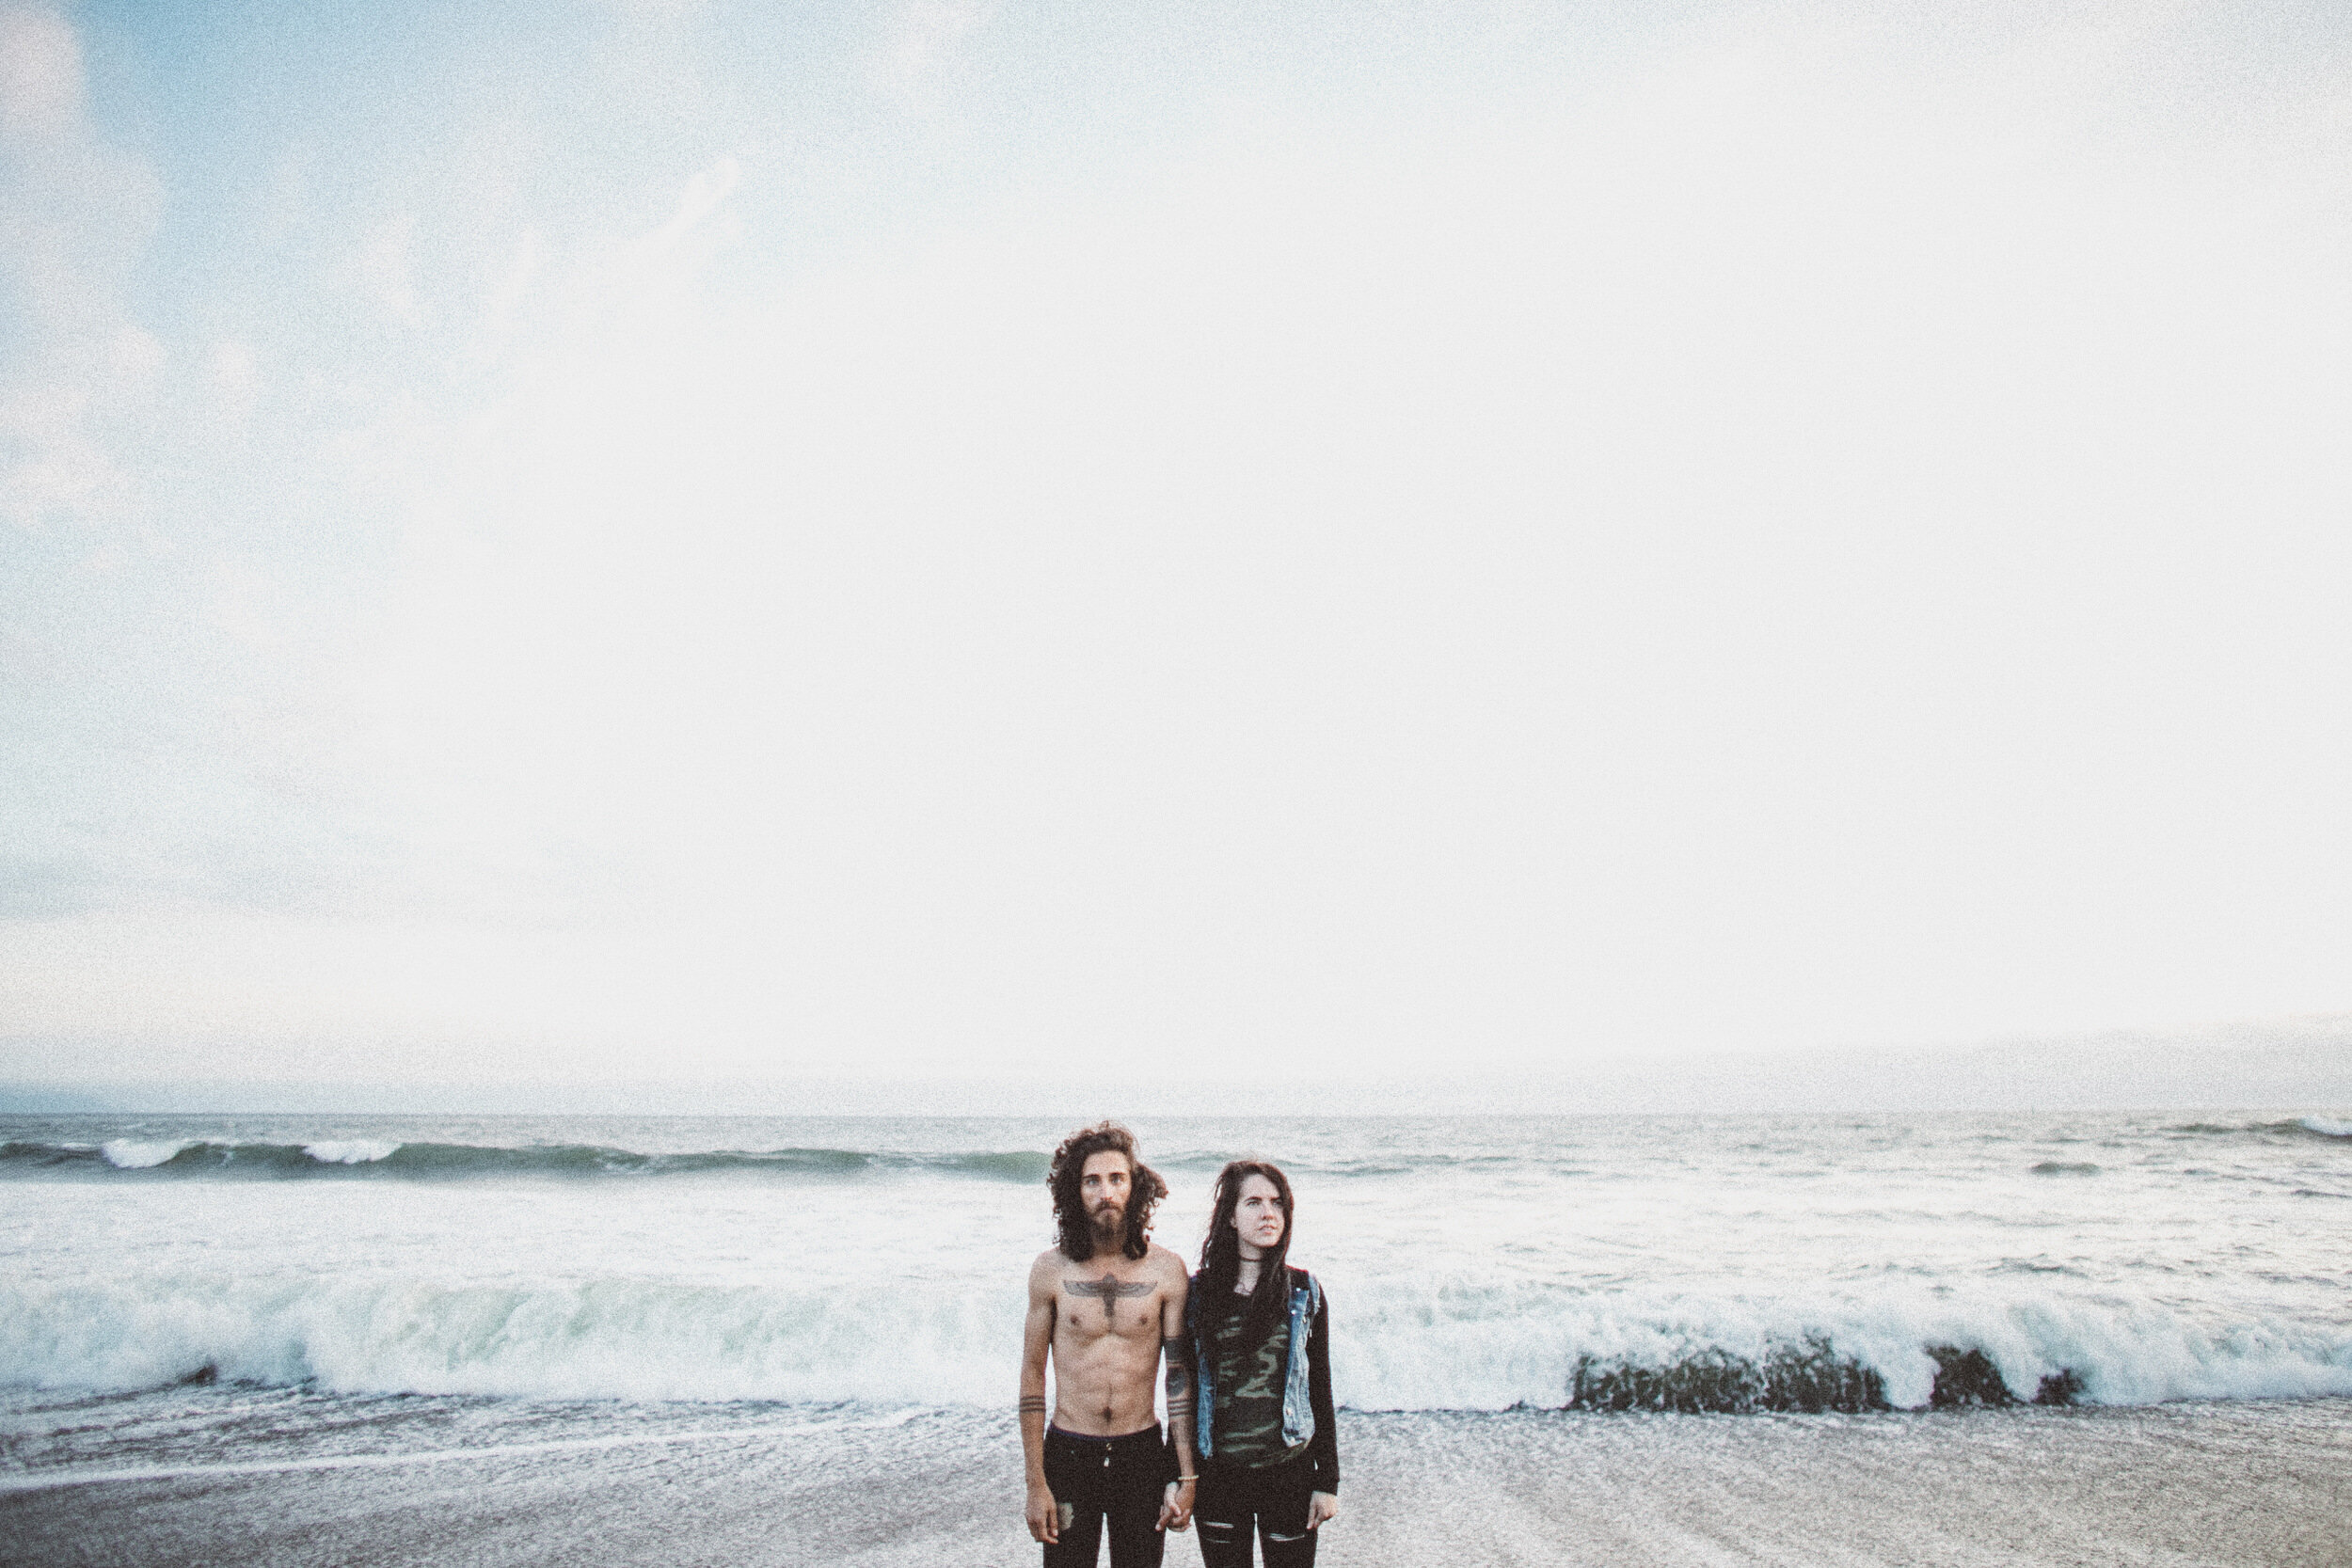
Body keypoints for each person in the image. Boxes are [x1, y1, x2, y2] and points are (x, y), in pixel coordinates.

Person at [1022, 1122, 1199, 1567]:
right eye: (1092, 1180)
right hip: (1068, 1452)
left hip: (1140, 1454)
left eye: (1117, 1179)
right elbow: (1032, 1374)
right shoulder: (1050, 1271)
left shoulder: (1166, 1270)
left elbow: (1178, 1376)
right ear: (1074, 1191)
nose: (1106, 1192)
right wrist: (1035, 1482)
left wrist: (1186, 1473)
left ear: (1133, 1187)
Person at [1184, 1161, 1339, 1567]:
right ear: (1231, 1218)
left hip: (1289, 1474)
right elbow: (1185, 1390)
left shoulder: (1305, 1292)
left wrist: (1328, 1481)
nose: (1268, 1213)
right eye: (1253, 1202)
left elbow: (1319, 1388)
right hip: (1219, 1477)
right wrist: (1178, 1475)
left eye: (1277, 1203)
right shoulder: (1198, 1295)